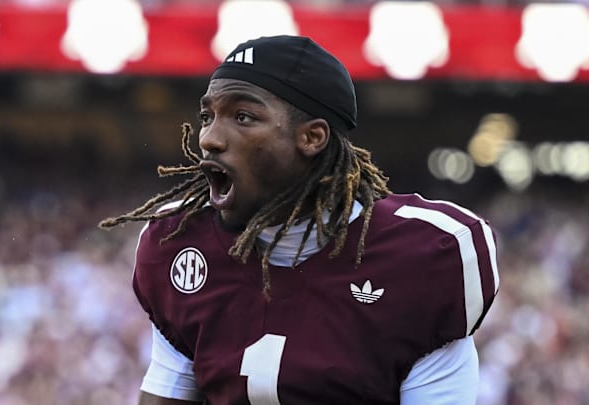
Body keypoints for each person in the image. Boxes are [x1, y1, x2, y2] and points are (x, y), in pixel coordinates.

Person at [100, 35, 499, 405]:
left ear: (311, 138)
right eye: (207, 116)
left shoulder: (425, 258)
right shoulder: (181, 244)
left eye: (242, 117)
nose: (209, 138)